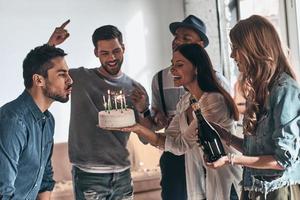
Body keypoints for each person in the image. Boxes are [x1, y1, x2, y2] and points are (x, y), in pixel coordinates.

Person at [125, 43, 243, 200]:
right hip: (199, 181)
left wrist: (139, 128)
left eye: (179, 65)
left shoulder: (214, 101)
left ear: (197, 68)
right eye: (172, 64)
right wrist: (137, 125)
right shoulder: (185, 101)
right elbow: (168, 141)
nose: (172, 70)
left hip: (224, 184)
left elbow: (181, 145)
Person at [48, 22, 149, 199]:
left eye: (116, 51)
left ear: (123, 48)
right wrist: (51, 44)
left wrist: (143, 109)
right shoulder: (79, 78)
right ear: (96, 53)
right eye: (105, 53)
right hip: (89, 176)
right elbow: (45, 73)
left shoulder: (136, 89)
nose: (112, 57)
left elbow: (145, 139)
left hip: (123, 175)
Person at [207, 15, 300, 199]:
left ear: (254, 48)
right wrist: (225, 137)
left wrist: (230, 160)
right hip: (254, 190)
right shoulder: (257, 91)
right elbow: (255, 152)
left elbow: (282, 160)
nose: (233, 55)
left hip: (278, 193)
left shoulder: (285, 90)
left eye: (236, 48)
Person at [0, 44, 73, 199]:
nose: (70, 80)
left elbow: (45, 176)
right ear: (38, 80)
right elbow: (3, 190)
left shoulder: (48, 120)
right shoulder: (13, 121)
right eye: (62, 74)